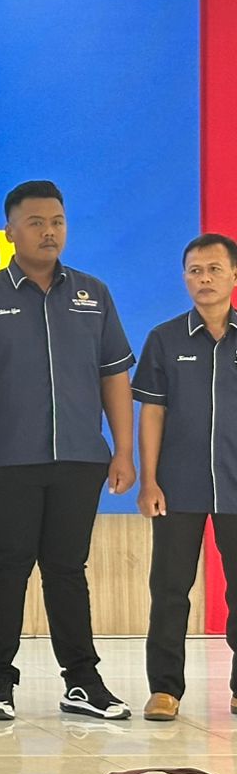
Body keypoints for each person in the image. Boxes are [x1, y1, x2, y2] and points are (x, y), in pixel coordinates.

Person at [0, 180, 137, 721]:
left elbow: (113, 376)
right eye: (35, 222)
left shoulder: (93, 294)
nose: (49, 231)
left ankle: (82, 682)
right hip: (7, 459)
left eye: (57, 221)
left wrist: (123, 450)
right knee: (7, 567)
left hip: (81, 456)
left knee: (67, 569)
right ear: (10, 231)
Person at [132, 233, 237, 721]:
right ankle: (164, 689)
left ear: (233, 275)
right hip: (177, 487)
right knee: (170, 590)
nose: (204, 278)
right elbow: (152, 413)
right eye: (195, 271)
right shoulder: (165, 338)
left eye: (214, 269)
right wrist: (149, 480)